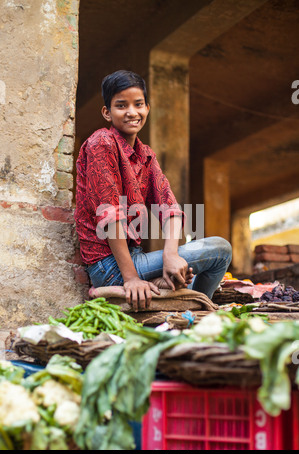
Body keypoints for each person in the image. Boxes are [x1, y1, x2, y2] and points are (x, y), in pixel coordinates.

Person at [74, 70, 232, 311]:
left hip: (135, 259)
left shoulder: (146, 155)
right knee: (220, 251)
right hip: (110, 267)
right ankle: (195, 312)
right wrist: (131, 279)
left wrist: (170, 255)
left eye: (138, 104)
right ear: (107, 112)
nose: (131, 112)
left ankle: (176, 295)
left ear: (147, 108)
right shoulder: (101, 143)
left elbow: (170, 209)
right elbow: (110, 217)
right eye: (121, 105)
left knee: (185, 264)